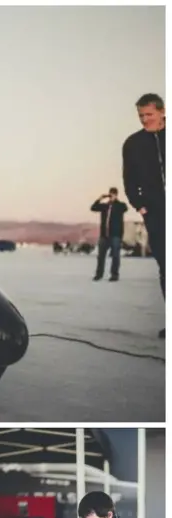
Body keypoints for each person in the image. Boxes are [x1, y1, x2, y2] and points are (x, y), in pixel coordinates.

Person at [122, 93, 166, 338]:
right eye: (141, 116)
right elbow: (129, 179)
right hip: (156, 212)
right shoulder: (133, 143)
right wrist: (139, 204)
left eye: (149, 115)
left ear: (162, 111)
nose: (144, 120)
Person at [90, 188, 128, 282]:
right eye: (110, 194)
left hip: (115, 235)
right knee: (100, 256)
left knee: (115, 255)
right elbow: (93, 208)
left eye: (114, 194)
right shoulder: (105, 206)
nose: (112, 196)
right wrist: (100, 198)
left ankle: (114, 275)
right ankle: (99, 274)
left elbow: (125, 208)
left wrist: (115, 201)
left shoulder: (120, 205)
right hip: (104, 235)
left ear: (116, 195)